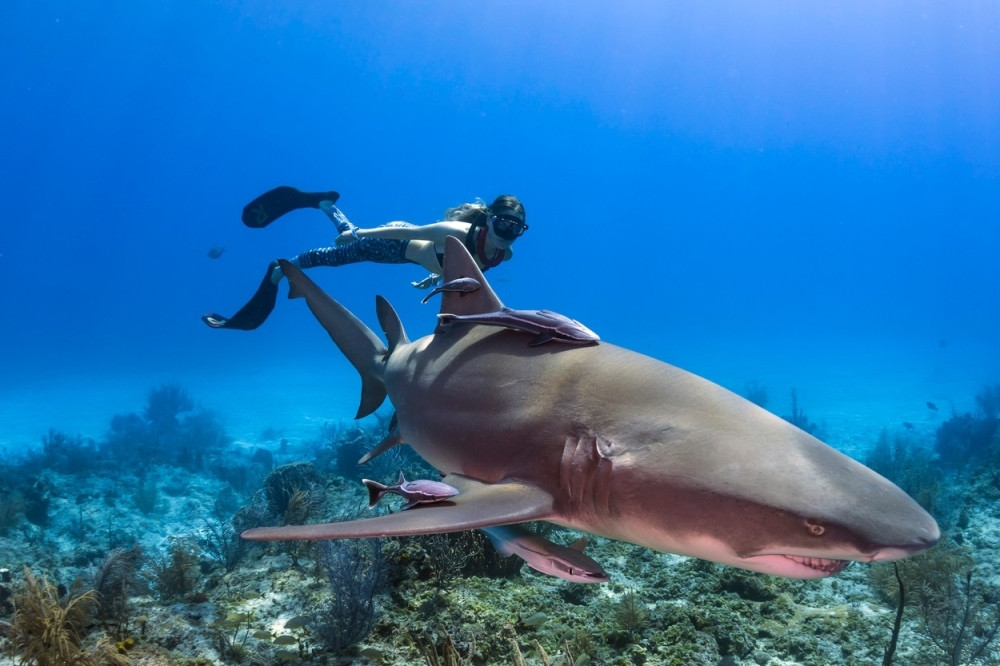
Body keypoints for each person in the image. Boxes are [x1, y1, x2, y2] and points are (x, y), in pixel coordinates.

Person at [202, 186, 527, 330]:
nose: (506, 233)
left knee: (347, 248)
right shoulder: (456, 231)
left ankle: (328, 207)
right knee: (340, 254)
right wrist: (359, 234)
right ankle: (288, 262)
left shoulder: (505, 254)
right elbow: (408, 233)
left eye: (516, 229)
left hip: (410, 257)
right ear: (488, 219)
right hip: (394, 242)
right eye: (502, 223)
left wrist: (434, 276)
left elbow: (464, 266)